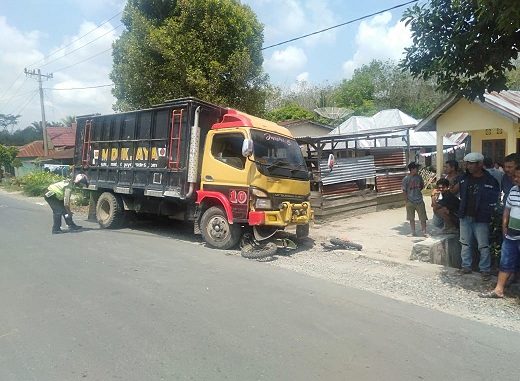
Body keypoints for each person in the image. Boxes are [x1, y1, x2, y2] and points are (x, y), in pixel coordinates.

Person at [457, 152, 500, 281]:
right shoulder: (464, 178)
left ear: (480, 164)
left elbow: (495, 198)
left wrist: (490, 211)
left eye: (471, 164)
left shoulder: (490, 180)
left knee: (483, 245)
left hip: (481, 218)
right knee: (465, 243)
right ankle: (466, 266)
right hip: (465, 216)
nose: (468, 166)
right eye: (467, 163)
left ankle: (485, 270)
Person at [480, 165, 520, 298]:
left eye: (519, 177)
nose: (516, 179)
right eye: (515, 176)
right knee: (506, 262)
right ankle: (499, 290)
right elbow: (507, 209)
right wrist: (504, 225)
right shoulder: (514, 190)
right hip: (511, 235)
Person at [402, 162, 427, 237]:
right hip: (410, 201)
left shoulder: (419, 177)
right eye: (416, 168)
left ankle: (424, 232)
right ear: (412, 169)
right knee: (411, 217)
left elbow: (422, 186)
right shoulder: (406, 179)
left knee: (423, 217)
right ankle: (413, 232)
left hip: (419, 200)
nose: (417, 170)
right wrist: (406, 201)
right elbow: (404, 190)